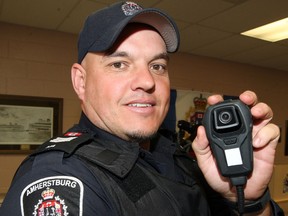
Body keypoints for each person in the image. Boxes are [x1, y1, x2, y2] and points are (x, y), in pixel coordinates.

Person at [0, 1, 284, 216]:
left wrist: (248, 199)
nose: (148, 81)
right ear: (81, 81)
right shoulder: (62, 179)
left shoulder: (180, 158)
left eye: (157, 66)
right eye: (119, 64)